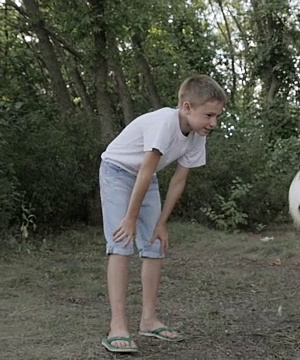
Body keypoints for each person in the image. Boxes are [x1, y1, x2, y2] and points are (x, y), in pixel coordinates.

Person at [98, 74, 227, 353]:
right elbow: (144, 169)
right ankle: (117, 325)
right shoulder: (164, 123)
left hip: (148, 176)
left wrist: (161, 224)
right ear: (187, 107)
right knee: (121, 241)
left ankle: (149, 320)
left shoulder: (197, 135)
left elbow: (179, 180)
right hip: (118, 171)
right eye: (209, 115)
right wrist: (130, 219)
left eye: (216, 117)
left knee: (155, 243)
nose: (213, 123)